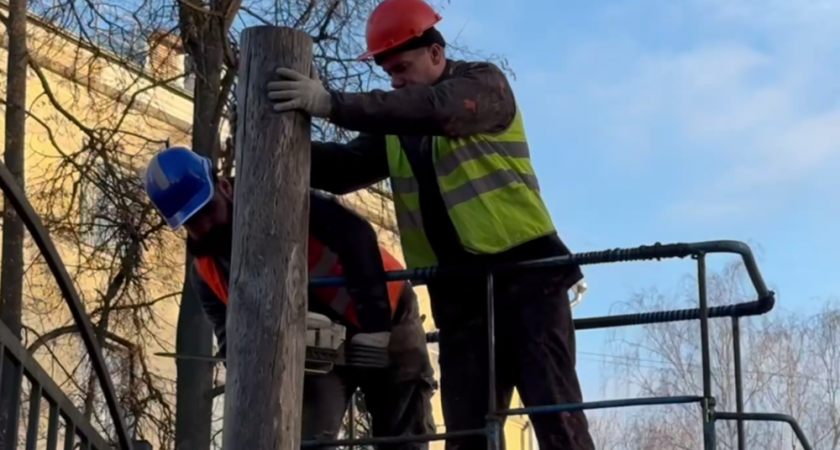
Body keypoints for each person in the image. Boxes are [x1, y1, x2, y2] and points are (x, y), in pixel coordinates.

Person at [264, 0, 596, 449]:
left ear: (436, 54)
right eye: (389, 75)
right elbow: (346, 168)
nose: (396, 82)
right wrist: (274, 145)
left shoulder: (484, 85)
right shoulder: (400, 126)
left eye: (402, 68)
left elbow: (436, 108)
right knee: (466, 433)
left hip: (527, 279)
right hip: (459, 294)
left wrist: (330, 103)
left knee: (558, 422)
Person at [143, 146, 436, 450]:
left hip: (386, 313)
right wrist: (265, 360)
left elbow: (357, 235)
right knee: (302, 441)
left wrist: (375, 328)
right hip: (316, 356)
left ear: (225, 187)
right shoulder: (206, 274)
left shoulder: (283, 199)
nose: (204, 226)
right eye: (192, 221)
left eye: (207, 211)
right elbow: (232, 342)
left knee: (404, 430)